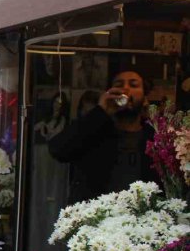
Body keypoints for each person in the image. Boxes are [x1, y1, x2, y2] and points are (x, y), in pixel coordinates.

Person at [49, 70, 157, 203]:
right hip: (97, 213)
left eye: (133, 85)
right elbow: (58, 150)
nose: (125, 89)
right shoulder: (94, 130)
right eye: (119, 85)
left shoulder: (154, 138)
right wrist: (100, 110)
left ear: (145, 99)